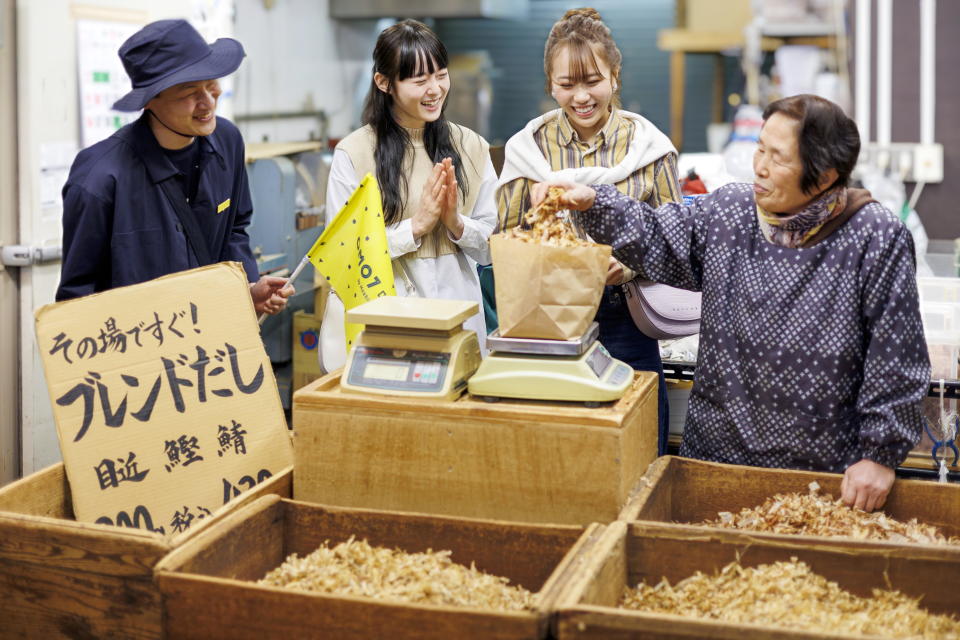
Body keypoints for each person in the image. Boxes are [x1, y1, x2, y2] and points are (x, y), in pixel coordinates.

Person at [531, 94, 930, 512]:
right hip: (716, 461)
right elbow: (655, 234)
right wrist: (594, 199)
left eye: (778, 158)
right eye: (760, 148)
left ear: (826, 175)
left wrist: (878, 455)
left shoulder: (875, 238)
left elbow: (897, 356)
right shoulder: (731, 212)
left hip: (820, 476)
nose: (760, 166)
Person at [496, 8, 680, 454]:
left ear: (614, 77)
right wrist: (540, 225)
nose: (581, 96)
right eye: (566, 84)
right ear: (550, 85)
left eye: (592, 81)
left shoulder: (649, 149)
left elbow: (676, 240)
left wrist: (632, 266)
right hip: (547, 319)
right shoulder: (528, 151)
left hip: (626, 318)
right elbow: (503, 241)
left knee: (638, 445)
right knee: (559, 450)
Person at [57, 19, 292, 315]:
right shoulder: (100, 176)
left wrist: (247, 290)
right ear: (149, 101)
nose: (208, 102)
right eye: (188, 92)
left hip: (212, 333)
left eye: (211, 85)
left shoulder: (227, 141)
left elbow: (234, 229)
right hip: (140, 344)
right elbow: (77, 296)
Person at [321, 19, 497, 371]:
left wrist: (456, 224)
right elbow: (342, 260)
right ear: (384, 83)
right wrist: (414, 228)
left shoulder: (472, 147)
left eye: (441, 75)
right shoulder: (354, 154)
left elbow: (495, 248)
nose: (435, 89)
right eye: (419, 81)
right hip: (385, 322)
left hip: (461, 317)